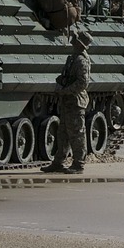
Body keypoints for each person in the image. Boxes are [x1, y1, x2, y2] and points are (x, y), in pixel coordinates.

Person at [42, 28, 91, 174]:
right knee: (63, 133)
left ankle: (78, 164)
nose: (72, 41)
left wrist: (66, 90)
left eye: (75, 39)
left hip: (75, 101)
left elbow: (83, 83)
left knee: (77, 134)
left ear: (79, 44)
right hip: (68, 101)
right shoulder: (74, 58)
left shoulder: (81, 60)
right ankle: (58, 162)